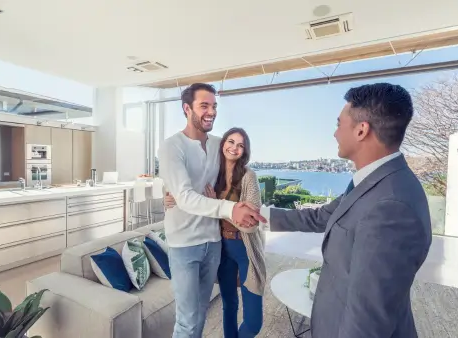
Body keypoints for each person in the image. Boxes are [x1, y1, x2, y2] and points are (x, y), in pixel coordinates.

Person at [258, 83, 432, 338]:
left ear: (362, 130)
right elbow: (324, 217)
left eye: (339, 124)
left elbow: (368, 318)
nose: (335, 133)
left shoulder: (391, 208)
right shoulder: (373, 182)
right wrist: (261, 216)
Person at [157, 83, 265, 338]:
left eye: (214, 106)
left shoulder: (219, 144)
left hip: (214, 243)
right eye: (204, 105)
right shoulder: (171, 146)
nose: (211, 112)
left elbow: (237, 172)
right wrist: (170, 193)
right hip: (184, 244)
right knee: (186, 320)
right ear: (187, 108)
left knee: (202, 313)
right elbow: (183, 196)